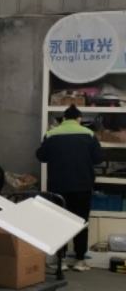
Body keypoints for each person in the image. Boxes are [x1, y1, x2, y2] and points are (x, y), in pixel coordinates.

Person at [36, 105, 103, 271]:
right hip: (82, 186)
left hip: (58, 187)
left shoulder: (51, 134)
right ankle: (80, 260)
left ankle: (62, 260)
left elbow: (41, 156)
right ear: (79, 119)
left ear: (64, 119)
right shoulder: (89, 134)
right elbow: (98, 159)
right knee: (81, 221)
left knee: (60, 222)